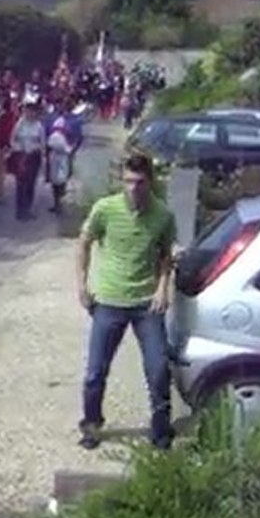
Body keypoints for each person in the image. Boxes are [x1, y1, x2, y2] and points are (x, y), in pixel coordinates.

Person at [77, 153, 177, 451]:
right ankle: (92, 425)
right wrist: (82, 285)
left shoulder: (162, 215)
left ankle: (160, 431)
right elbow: (83, 243)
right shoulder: (105, 209)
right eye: (129, 181)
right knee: (96, 370)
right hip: (109, 299)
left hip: (146, 303)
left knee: (158, 368)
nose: (133, 188)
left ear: (150, 181)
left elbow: (166, 255)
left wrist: (163, 288)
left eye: (140, 182)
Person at [9, 96, 46, 221]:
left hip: (33, 157)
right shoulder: (19, 124)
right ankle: (20, 210)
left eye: (32, 111)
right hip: (21, 156)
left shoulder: (39, 126)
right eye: (27, 111)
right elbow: (12, 140)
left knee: (30, 184)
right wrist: (18, 149)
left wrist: (41, 154)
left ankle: (27, 209)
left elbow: (42, 142)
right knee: (20, 184)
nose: (30, 113)